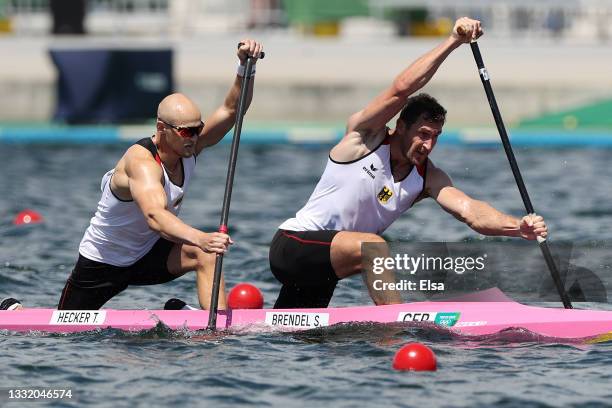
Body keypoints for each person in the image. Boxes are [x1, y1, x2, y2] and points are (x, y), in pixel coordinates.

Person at [269, 18, 548, 309]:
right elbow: (400, 89)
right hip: (292, 245)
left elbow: (472, 213)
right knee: (374, 247)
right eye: (423, 134)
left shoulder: (426, 177)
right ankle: (395, 331)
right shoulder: (365, 138)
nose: (428, 145)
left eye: (436, 137)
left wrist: (518, 226)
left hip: (325, 267)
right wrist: (453, 41)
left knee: (298, 336)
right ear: (401, 126)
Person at [58, 40, 264, 310]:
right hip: (103, 262)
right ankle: (12, 309)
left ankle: (215, 332)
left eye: (198, 128)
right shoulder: (141, 162)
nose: (195, 137)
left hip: (147, 256)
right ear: (161, 129)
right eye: (186, 131)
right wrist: (201, 237)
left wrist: (245, 68)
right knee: (61, 327)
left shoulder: (190, 147)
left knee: (207, 255)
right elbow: (155, 217)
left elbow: (230, 111)